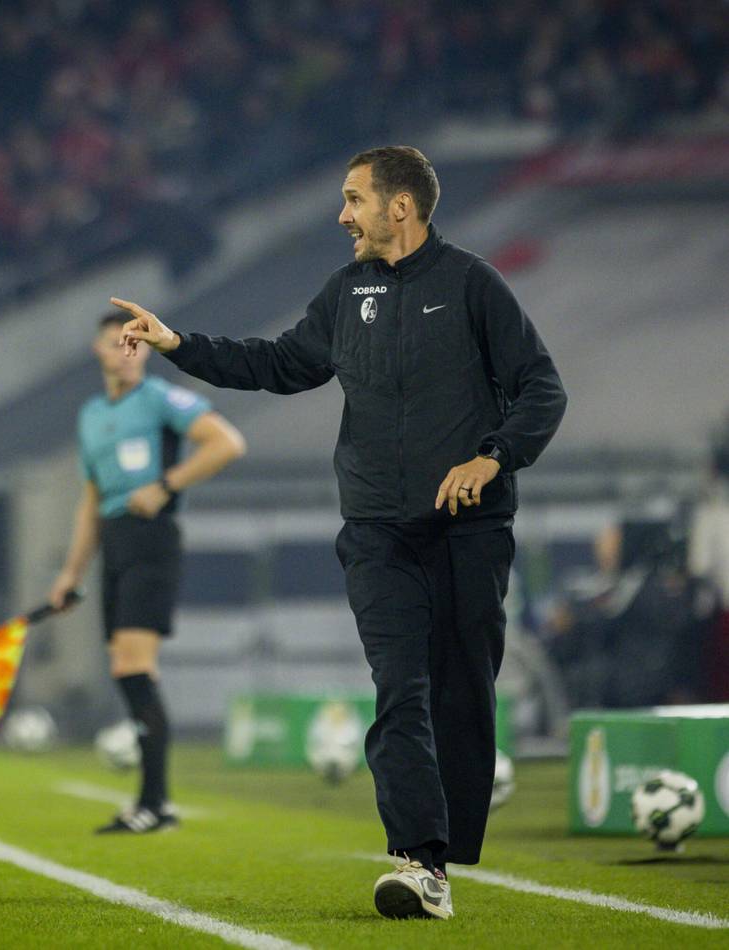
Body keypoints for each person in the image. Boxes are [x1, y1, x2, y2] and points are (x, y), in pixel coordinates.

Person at [113, 146, 567, 918]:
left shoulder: (472, 285)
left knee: (463, 695)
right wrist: (178, 344)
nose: (341, 215)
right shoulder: (346, 288)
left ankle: (445, 848)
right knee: (400, 688)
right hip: (376, 531)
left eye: (353, 200)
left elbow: (542, 391)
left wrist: (491, 461)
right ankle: (420, 862)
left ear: (401, 207)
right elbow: (280, 363)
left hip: (468, 529)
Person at [49, 311, 246, 834]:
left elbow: (226, 441)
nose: (125, 349)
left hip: (152, 538)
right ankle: (154, 803)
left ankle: (156, 804)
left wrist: (167, 484)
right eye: (115, 342)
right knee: (126, 671)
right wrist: (71, 573)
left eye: (133, 342)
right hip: (113, 542)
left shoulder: (159, 400)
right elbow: (89, 503)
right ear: (97, 350)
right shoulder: (91, 415)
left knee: (135, 668)